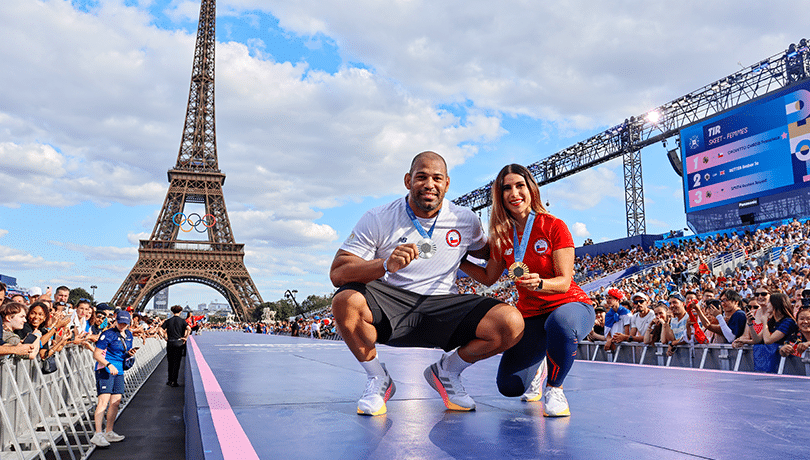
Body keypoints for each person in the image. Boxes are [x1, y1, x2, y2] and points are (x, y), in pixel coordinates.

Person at [329, 151, 524, 416]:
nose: (429, 184)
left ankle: (447, 372)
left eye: (436, 178)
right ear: (408, 180)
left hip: (445, 306)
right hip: (393, 303)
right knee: (345, 301)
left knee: (511, 322)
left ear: (447, 184)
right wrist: (385, 264)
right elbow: (338, 273)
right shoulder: (378, 217)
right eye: (421, 177)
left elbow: (493, 254)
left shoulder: (465, 220)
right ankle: (378, 379)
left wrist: (519, 226)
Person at [459, 164, 594, 417]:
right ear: (500, 197)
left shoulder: (554, 225)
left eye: (520, 186)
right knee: (510, 387)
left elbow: (565, 281)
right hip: (531, 314)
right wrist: (459, 259)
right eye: (507, 188)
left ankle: (555, 389)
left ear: (531, 189)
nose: (514, 193)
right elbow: (489, 278)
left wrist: (540, 283)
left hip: (569, 305)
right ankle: (539, 364)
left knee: (561, 323)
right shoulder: (502, 236)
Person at [90, 310, 136, 447]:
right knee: (103, 402)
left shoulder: (129, 335)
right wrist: (108, 365)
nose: (122, 325)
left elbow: (123, 352)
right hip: (105, 370)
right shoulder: (107, 334)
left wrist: (129, 354)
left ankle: (108, 431)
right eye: (120, 322)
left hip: (119, 370)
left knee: (116, 402)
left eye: (125, 323)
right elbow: (97, 354)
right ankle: (98, 434)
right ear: (115, 320)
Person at [161, 305, 190, 387]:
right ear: (180, 312)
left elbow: (160, 329)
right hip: (178, 343)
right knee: (176, 363)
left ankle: (169, 380)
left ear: (172, 312)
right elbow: (189, 329)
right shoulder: (182, 321)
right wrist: (185, 338)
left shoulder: (168, 321)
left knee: (170, 362)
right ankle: (174, 381)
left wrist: (165, 337)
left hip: (170, 342)